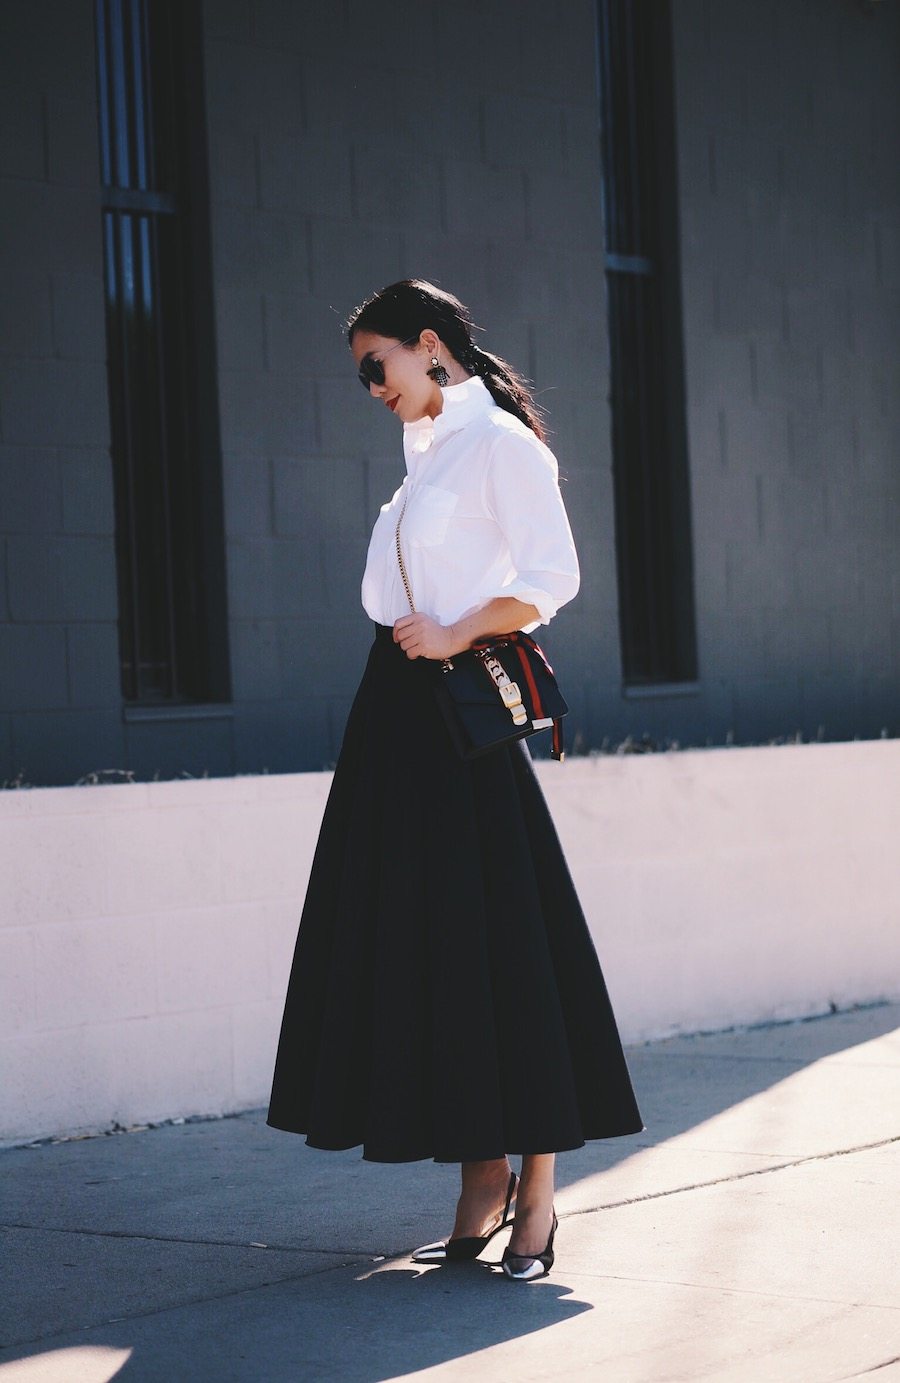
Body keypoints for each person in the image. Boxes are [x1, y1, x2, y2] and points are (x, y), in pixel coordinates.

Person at [266, 279, 644, 1281]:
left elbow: (551, 581)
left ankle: (540, 1190)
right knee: (431, 949)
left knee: (505, 942)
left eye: (374, 364)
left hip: (452, 713)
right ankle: (483, 1176)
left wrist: (456, 629)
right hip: (392, 711)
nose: (369, 386)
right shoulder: (425, 455)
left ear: (428, 344)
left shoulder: (503, 449)